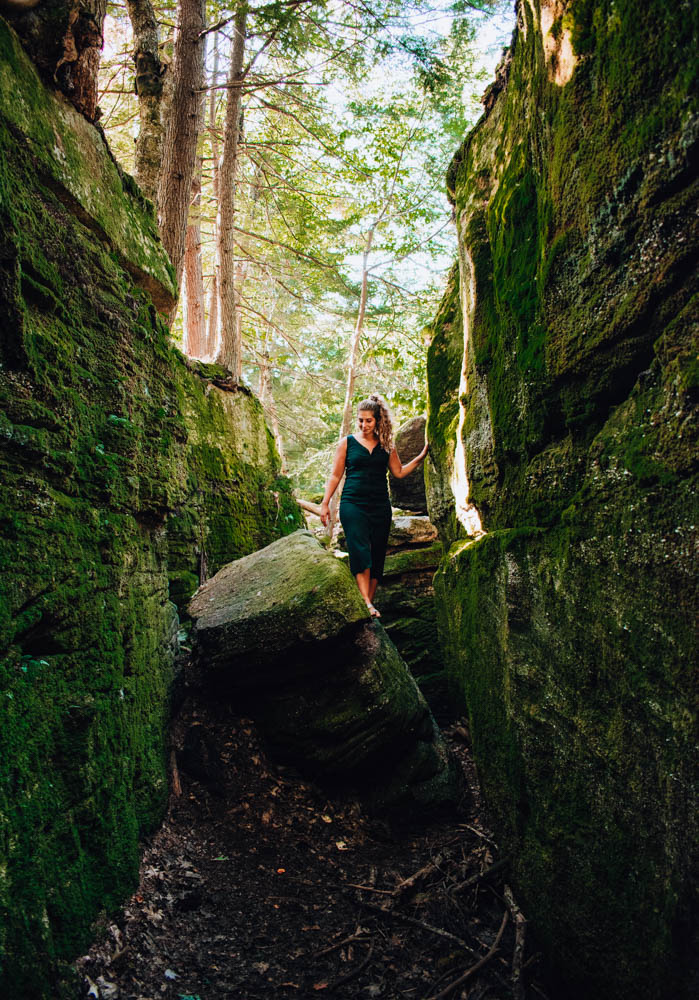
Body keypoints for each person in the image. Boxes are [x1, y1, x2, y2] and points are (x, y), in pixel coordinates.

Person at [319, 394, 428, 617]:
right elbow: (335, 476)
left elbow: (398, 472)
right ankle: (366, 603)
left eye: (368, 420)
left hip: (380, 505)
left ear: (378, 420)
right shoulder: (347, 443)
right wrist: (325, 504)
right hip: (353, 503)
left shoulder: (387, 445)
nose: (363, 424)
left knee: (377, 554)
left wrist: (421, 456)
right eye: (360, 420)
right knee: (359, 549)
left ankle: (369, 605)